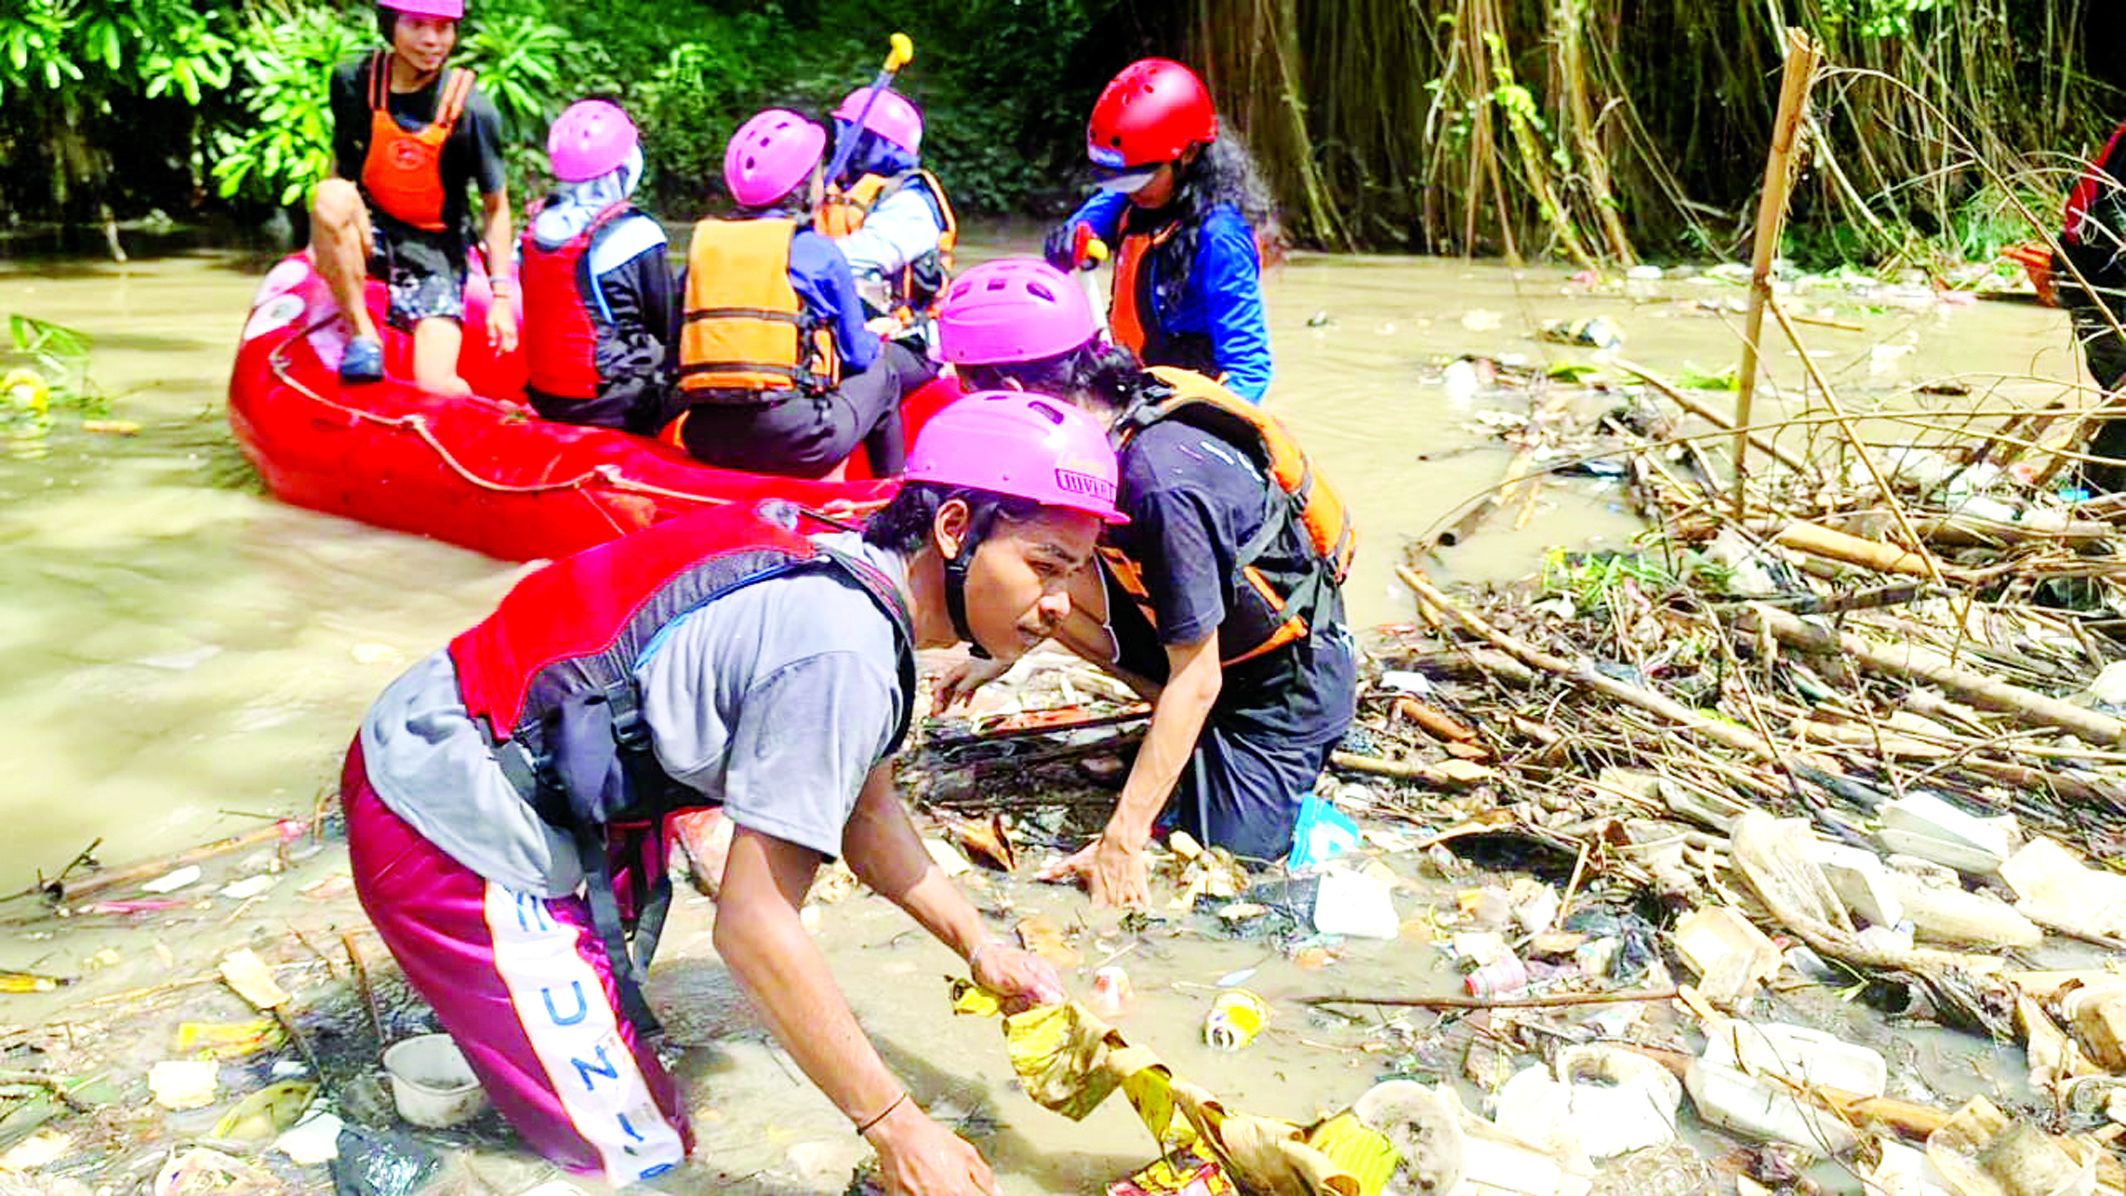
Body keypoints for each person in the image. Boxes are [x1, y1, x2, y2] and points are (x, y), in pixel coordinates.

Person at [341, 391, 1128, 1187]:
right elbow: (751, 928)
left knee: (625, 1064)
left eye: (1075, 573)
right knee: (644, 1158)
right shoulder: (843, 650)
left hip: (504, 740)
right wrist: (896, 1127)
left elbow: (867, 814)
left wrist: (981, 945)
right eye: (1043, 566)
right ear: (954, 529)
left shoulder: (854, 571)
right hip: (444, 805)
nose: (1059, 606)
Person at [934, 258, 1357, 907]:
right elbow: (1070, 565)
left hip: (1281, 680)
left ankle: (1197, 753)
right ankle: (1175, 740)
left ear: (1016, 389)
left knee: (1221, 862)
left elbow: (1201, 676)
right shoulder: (1111, 419)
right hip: (1194, 641)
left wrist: (1123, 839)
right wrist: (991, 654)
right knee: (1036, 565)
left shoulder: (1161, 479)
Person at [665, 109, 936, 478]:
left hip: (705, 435)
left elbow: (676, 350)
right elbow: (856, 355)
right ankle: (895, 504)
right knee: (882, 374)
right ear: (807, 184)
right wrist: (873, 337)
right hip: (798, 439)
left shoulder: (702, 248)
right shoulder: (818, 253)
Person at [1042, 58, 1278, 404]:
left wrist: (1197, 422)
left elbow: (1249, 368)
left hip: (1183, 398)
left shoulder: (1219, 237)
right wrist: (1068, 244)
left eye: (1139, 179)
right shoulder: (1126, 198)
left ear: (1189, 154)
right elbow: (1079, 231)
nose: (1127, 190)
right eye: (1118, 180)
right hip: (1133, 381)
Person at [312, 0, 516, 391]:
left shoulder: (475, 110)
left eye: (443, 28)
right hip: (372, 229)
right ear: (390, 25)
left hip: (436, 250)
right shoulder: (351, 80)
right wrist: (320, 246)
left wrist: (501, 298)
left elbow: (496, 207)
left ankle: (494, 420)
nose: (430, 40)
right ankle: (363, 335)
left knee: (435, 384)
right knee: (330, 195)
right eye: (417, 25)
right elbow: (341, 160)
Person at [519, 100, 675, 435]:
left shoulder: (535, 226)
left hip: (545, 395)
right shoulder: (637, 232)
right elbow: (667, 323)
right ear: (625, 165)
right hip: (614, 400)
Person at [817, 86, 958, 345]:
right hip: (837, 325)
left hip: (902, 338)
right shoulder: (827, 188)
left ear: (872, 144)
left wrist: (796, 263)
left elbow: (860, 257)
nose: (838, 142)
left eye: (849, 134)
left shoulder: (911, 202)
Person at [2055, 120, 2126, 491]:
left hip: (2095, 268)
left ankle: (2094, 494)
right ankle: (2097, 500)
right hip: (2102, 272)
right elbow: (2110, 204)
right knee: (2123, 396)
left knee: (2119, 396)